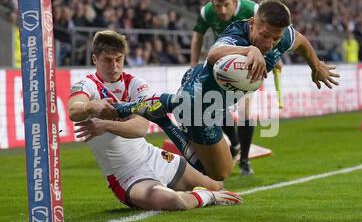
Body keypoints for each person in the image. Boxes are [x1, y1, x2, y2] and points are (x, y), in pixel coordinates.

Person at [116, 0, 339, 181]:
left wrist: (316, 65)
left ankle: (163, 110)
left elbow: (300, 41)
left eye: (276, 38)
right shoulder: (236, 33)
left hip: (217, 104)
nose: (270, 43)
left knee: (220, 170)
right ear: (252, 23)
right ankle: (164, 115)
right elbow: (214, 55)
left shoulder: (281, 36)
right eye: (264, 35)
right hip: (198, 102)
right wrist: (250, 49)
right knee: (215, 174)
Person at [67, 30, 242, 211]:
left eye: (119, 59)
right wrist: (91, 106)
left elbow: (140, 128)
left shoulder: (136, 83)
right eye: (107, 60)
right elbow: (74, 109)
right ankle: (207, 196)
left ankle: (206, 191)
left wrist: (106, 125)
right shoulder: (87, 85)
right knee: (173, 202)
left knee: (216, 182)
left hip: (154, 157)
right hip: (127, 177)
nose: (114, 66)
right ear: (95, 59)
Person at [190, 0, 261, 176]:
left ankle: (245, 161)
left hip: (247, 65)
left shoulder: (252, 9)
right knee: (215, 106)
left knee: (245, 109)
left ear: (235, 1)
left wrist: (274, 55)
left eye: (226, 5)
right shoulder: (207, 12)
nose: (221, 11)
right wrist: (194, 63)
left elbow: (269, 33)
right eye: (217, 5)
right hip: (220, 64)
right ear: (211, 2)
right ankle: (235, 145)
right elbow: (197, 36)